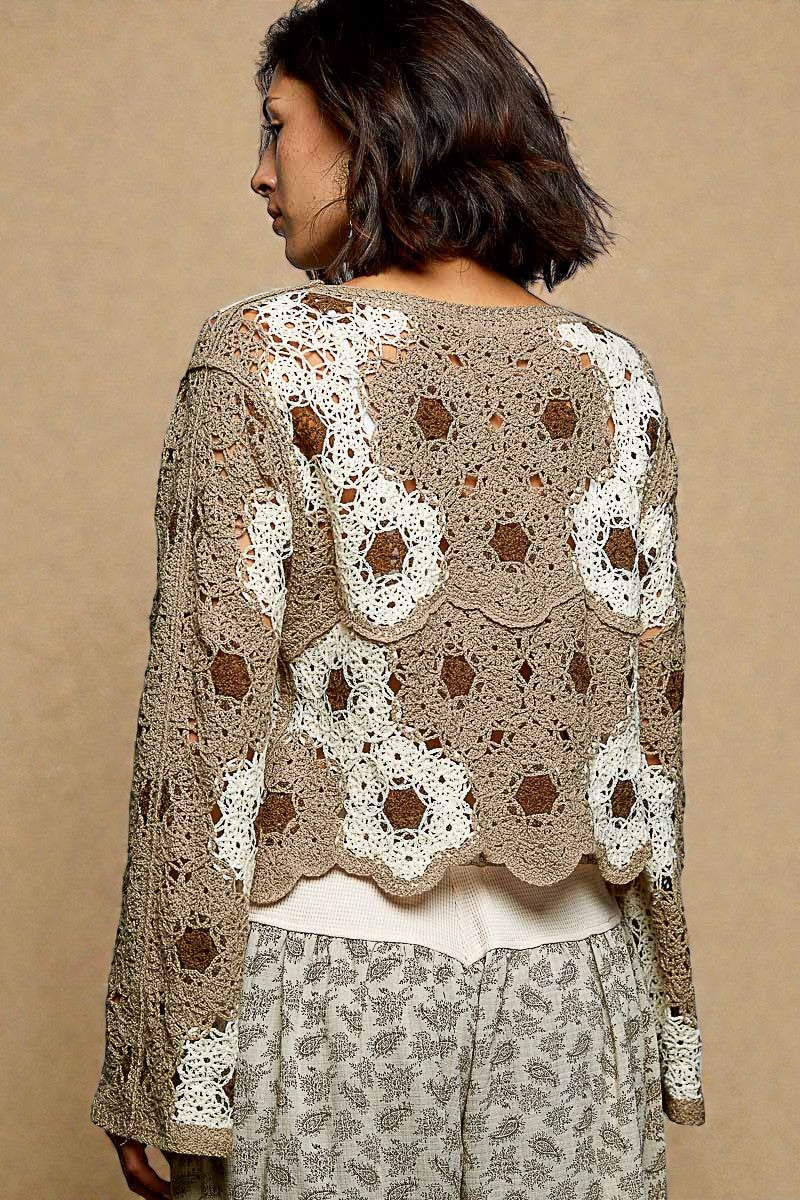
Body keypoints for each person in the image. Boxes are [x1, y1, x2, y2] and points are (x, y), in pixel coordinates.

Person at [90, 2, 705, 1197]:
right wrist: (665, 1015)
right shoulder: (611, 375)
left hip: (328, 991)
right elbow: (650, 727)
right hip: (577, 989)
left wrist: (161, 1056)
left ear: (370, 126)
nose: (259, 173)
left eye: (277, 128)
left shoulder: (261, 358)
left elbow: (200, 728)